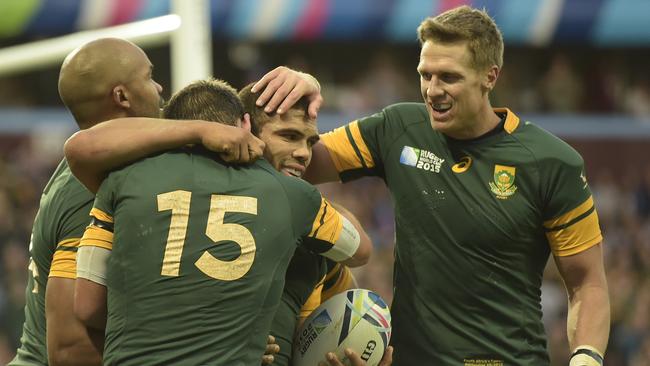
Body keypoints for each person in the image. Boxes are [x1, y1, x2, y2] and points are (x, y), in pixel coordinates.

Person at [253, 6, 610, 366]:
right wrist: (306, 92)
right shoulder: (397, 127)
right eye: (425, 75)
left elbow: (588, 282)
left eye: (448, 77)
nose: (432, 90)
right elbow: (293, 160)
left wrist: (587, 357)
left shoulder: (552, 162)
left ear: (490, 76)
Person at [71, 79, 372, 366]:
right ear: (246, 128)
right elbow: (360, 250)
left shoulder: (124, 179)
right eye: (289, 136)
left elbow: (88, 305)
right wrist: (240, 339)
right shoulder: (300, 204)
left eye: (311, 142)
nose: (305, 153)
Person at [9, 38, 264, 366]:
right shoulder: (87, 189)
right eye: (148, 76)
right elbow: (71, 350)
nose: (159, 87)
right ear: (121, 96)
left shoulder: (106, 165)